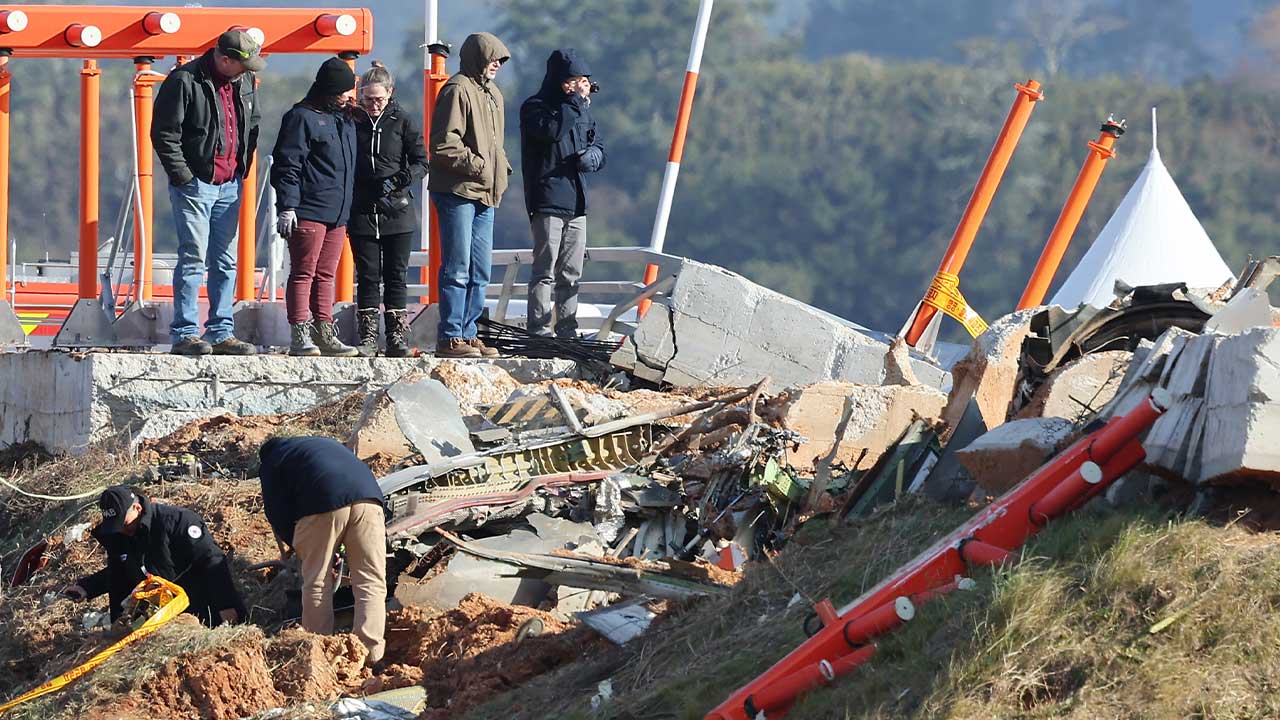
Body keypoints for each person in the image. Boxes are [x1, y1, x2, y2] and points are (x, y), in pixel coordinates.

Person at [152, 30, 264, 357]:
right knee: (193, 257)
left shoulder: (243, 83)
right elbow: (163, 133)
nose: (248, 71)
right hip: (195, 185)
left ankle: (221, 331)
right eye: (243, 65)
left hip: (230, 184)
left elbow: (251, 125)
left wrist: (241, 166)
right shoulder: (184, 82)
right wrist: (184, 177)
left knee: (225, 261)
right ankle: (185, 333)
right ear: (225, 59)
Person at [258, 436, 387, 667]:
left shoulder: (271, 460)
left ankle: (318, 656)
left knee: (317, 581)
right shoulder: (321, 445)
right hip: (371, 500)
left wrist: (297, 545)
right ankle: (371, 656)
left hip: (323, 503)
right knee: (371, 581)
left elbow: (276, 511)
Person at [428, 32, 512, 359]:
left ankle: (469, 332)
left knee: (481, 271)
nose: (496, 65)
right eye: (493, 58)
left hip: (486, 194)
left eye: (500, 60)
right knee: (457, 267)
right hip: (457, 192)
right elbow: (444, 144)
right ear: (478, 57)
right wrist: (480, 168)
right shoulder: (456, 89)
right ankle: (450, 336)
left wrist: (500, 170)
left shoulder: (494, 94)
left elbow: (496, 146)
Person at [271, 58, 360, 357]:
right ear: (330, 90)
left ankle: (324, 332)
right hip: (309, 209)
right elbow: (288, 166)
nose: (350, 96)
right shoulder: (301, 118)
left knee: (326, 274)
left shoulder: (345, 118)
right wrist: (288, 206)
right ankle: (300, 334)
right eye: (345, 91)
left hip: (337, 212)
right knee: (303, 272)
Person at [64, 486, 246, 627]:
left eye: (124, 524)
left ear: (137, 508)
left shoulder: (177, 522)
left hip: (202, 603)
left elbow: (212, 562)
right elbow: (121, 571)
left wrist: (226, 606)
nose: (122, 530)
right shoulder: (121, 534)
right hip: (162, 613)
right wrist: (87, 587)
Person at [520, 49, 606, 339]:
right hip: (547, 199)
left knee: (571, 273)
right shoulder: (536, 107)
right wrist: (575, 101)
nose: (579, 86)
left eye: (582, 80)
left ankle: (567, 329)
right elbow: (552, 132)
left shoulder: (582, 111)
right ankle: (539, 329)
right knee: (544, 269)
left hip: (577, 201)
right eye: (573, 80)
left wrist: (592, 157)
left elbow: (599, 146)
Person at [350, 61, 429, 358]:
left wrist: (399, 181)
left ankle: (397, 335)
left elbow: (421, 161)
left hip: (397, 210)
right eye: (367, 99)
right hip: (362, 211)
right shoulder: (353, 122)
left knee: (397, 274)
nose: (372, 105)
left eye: (379, 99)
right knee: (368, 274)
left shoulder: (403, 121)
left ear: (390, 94)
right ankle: (368, 335)